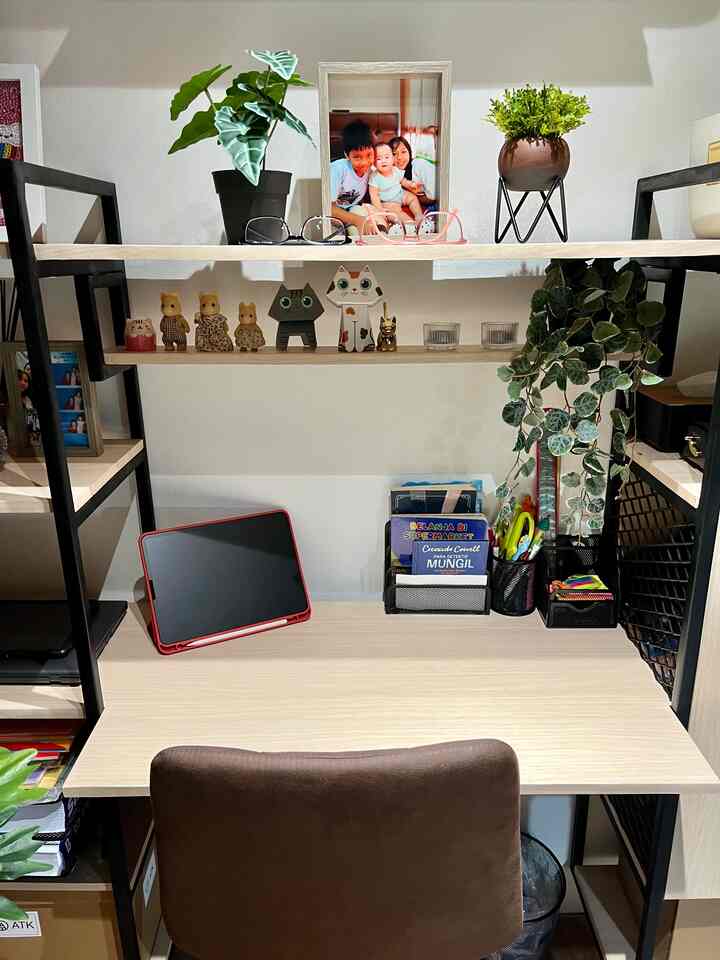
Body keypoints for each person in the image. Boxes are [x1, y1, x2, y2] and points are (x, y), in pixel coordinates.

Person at [330, 120, 379, 234]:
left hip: (352, 212)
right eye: (357, 157)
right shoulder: (337, 169)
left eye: (369, 155)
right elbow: (329, 209)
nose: (365, 162)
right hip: (333, 217)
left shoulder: (371, 171)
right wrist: (357, 220)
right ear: (347, 155)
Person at [369, 142, 424, 228]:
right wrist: (379, 209)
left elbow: (403, 181)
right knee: (395, 213)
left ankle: (419, 216)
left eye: (387, 157)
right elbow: (374, 196)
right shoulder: (375, 177)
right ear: (373, 163)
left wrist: (411, 185)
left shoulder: (395, 170)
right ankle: (410, 224)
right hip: (388, 201)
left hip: (400, 194)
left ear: (392, 159)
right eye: (379, 159)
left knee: (412, 197)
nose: (383, 161)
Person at [389, 135, 437, 211]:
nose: (399, 157)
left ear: (409, 152)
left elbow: (434, 197)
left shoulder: (419, 165)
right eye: (394, 154)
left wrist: (412, 194)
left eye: (403, 152)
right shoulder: (393, 174)